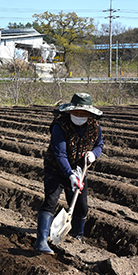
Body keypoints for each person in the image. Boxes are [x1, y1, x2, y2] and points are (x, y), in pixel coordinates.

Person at [34, 93, 104, 254]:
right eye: (76, 112)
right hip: (56, 169)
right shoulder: (60, 126)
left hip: (80, 170)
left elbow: (99, 144)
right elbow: (60, 154)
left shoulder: (95, 126)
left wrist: (94, 154)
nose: (79, 116)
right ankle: (41, 241)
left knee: (81, 206)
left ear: (89, 113)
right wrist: (69, 175)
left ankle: (76, 236)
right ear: (70, 111)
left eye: (83, 113)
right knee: (51, 201)